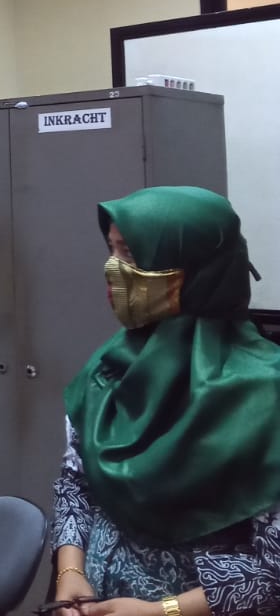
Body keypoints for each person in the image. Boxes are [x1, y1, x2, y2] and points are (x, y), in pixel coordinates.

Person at [49, 186, 280, 616]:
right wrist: (70, 572)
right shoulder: (109, 368)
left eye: (132, 254)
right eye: (112, 250)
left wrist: (162, 610)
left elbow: (274, 568)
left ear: (197, 268)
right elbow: (75, 483)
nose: (114, 269)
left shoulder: (266, 393)